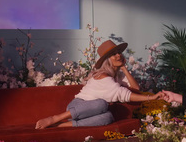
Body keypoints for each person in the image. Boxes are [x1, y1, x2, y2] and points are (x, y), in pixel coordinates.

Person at [35, 40, 164, 129]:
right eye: (114, 54)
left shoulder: (117, 76)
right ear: (107, 60)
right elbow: (125, 94)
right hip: (78, 108)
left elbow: (135, 89)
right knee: (101, 104)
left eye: (119, 52)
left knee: (108, 117)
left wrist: (124, 68)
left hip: (91, 116)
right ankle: (54, 119)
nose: (118, 55)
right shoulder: (102, 76)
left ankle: (59, 126)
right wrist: (151, 98)